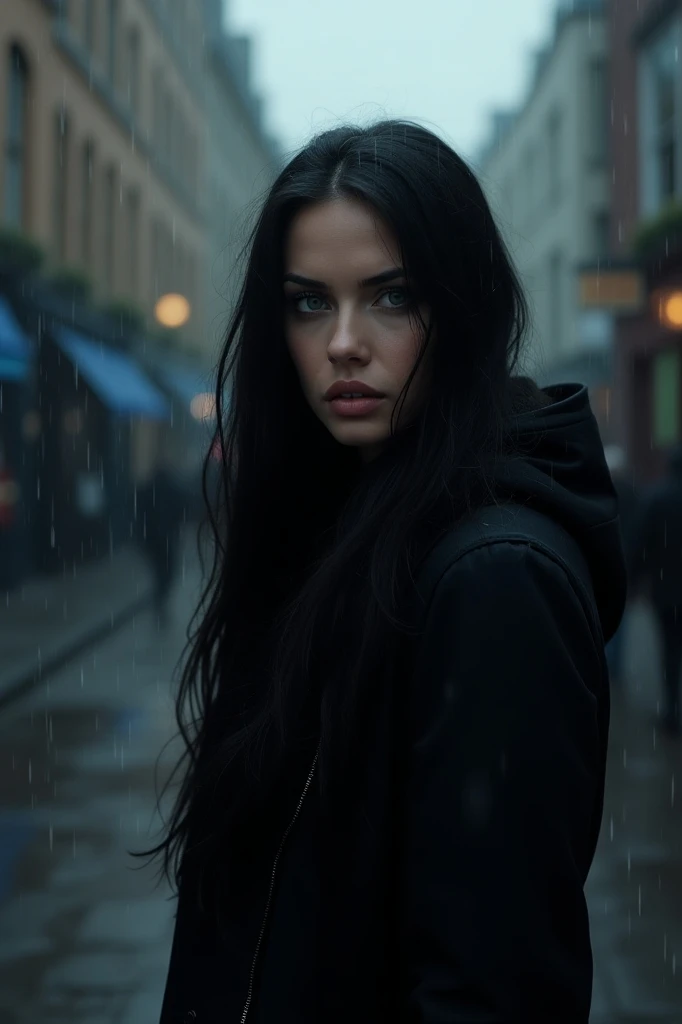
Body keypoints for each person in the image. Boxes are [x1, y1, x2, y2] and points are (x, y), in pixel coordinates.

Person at [133, 121, 626, 1022]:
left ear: (465, 307)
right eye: (309, 303)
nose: (344, 343)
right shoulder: (332, 527)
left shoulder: (493, 578)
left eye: (392, 298)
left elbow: (493, 989)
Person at [628, 443, 682, 737]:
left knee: (670, 652)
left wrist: (634, 581)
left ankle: (672, 713)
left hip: (668, 591)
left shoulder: (656, 498)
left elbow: (640, 543)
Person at [136, 461, 188, 630]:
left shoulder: (148, 490)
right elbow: (182, 510)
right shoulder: (171, 490)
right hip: (164, 538)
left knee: (160, 569)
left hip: (154, 539)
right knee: (166, 570)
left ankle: (160, 596)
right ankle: (161, 595)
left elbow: (139, 514)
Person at [603, 445, 638, 688]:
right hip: (624, 561)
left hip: (607, 559)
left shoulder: (601, 490)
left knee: (606, 613)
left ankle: (607, 665)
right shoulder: (631, 492)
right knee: (620, 616)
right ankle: (614, 668)